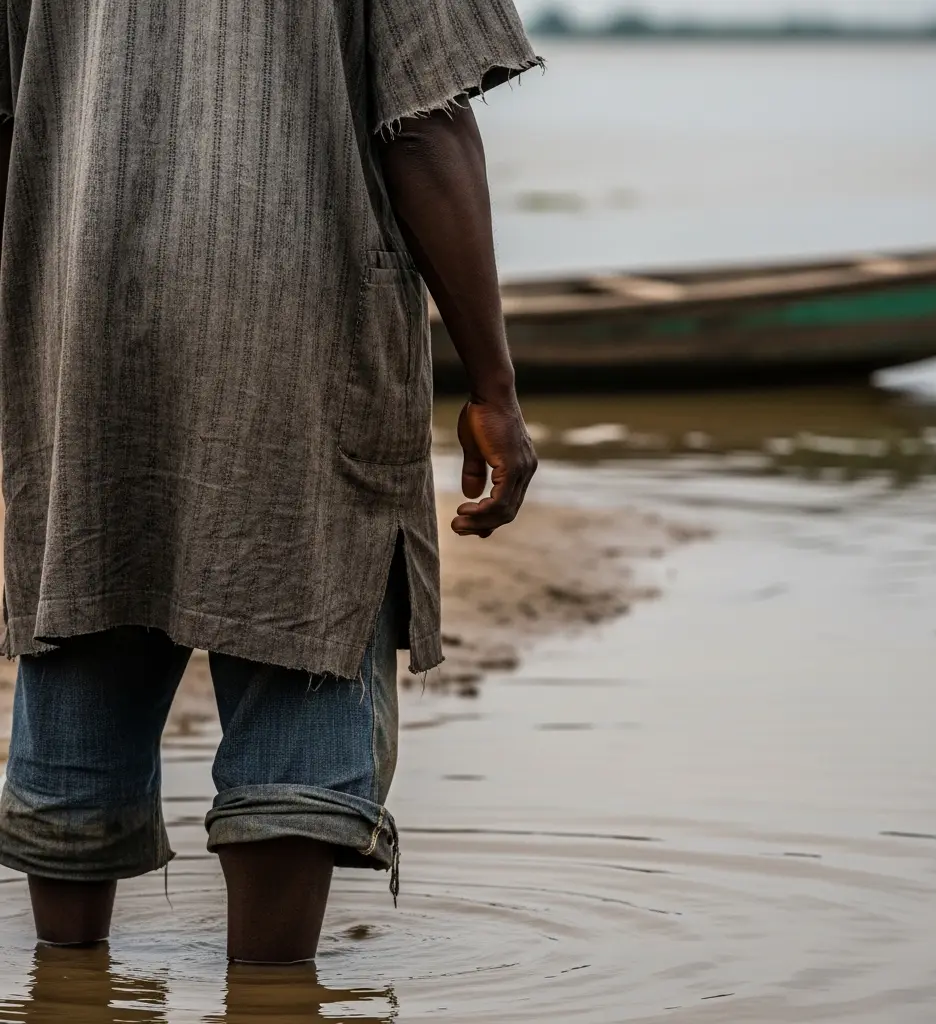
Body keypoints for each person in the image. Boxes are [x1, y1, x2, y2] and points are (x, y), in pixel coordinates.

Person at [0, 1, 540, 963]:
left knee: (83, 617)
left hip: (81, 319)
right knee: (303, 635)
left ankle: (64, 986)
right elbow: (427, 122)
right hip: (297, 313)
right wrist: (493, 387)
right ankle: (272, 989)